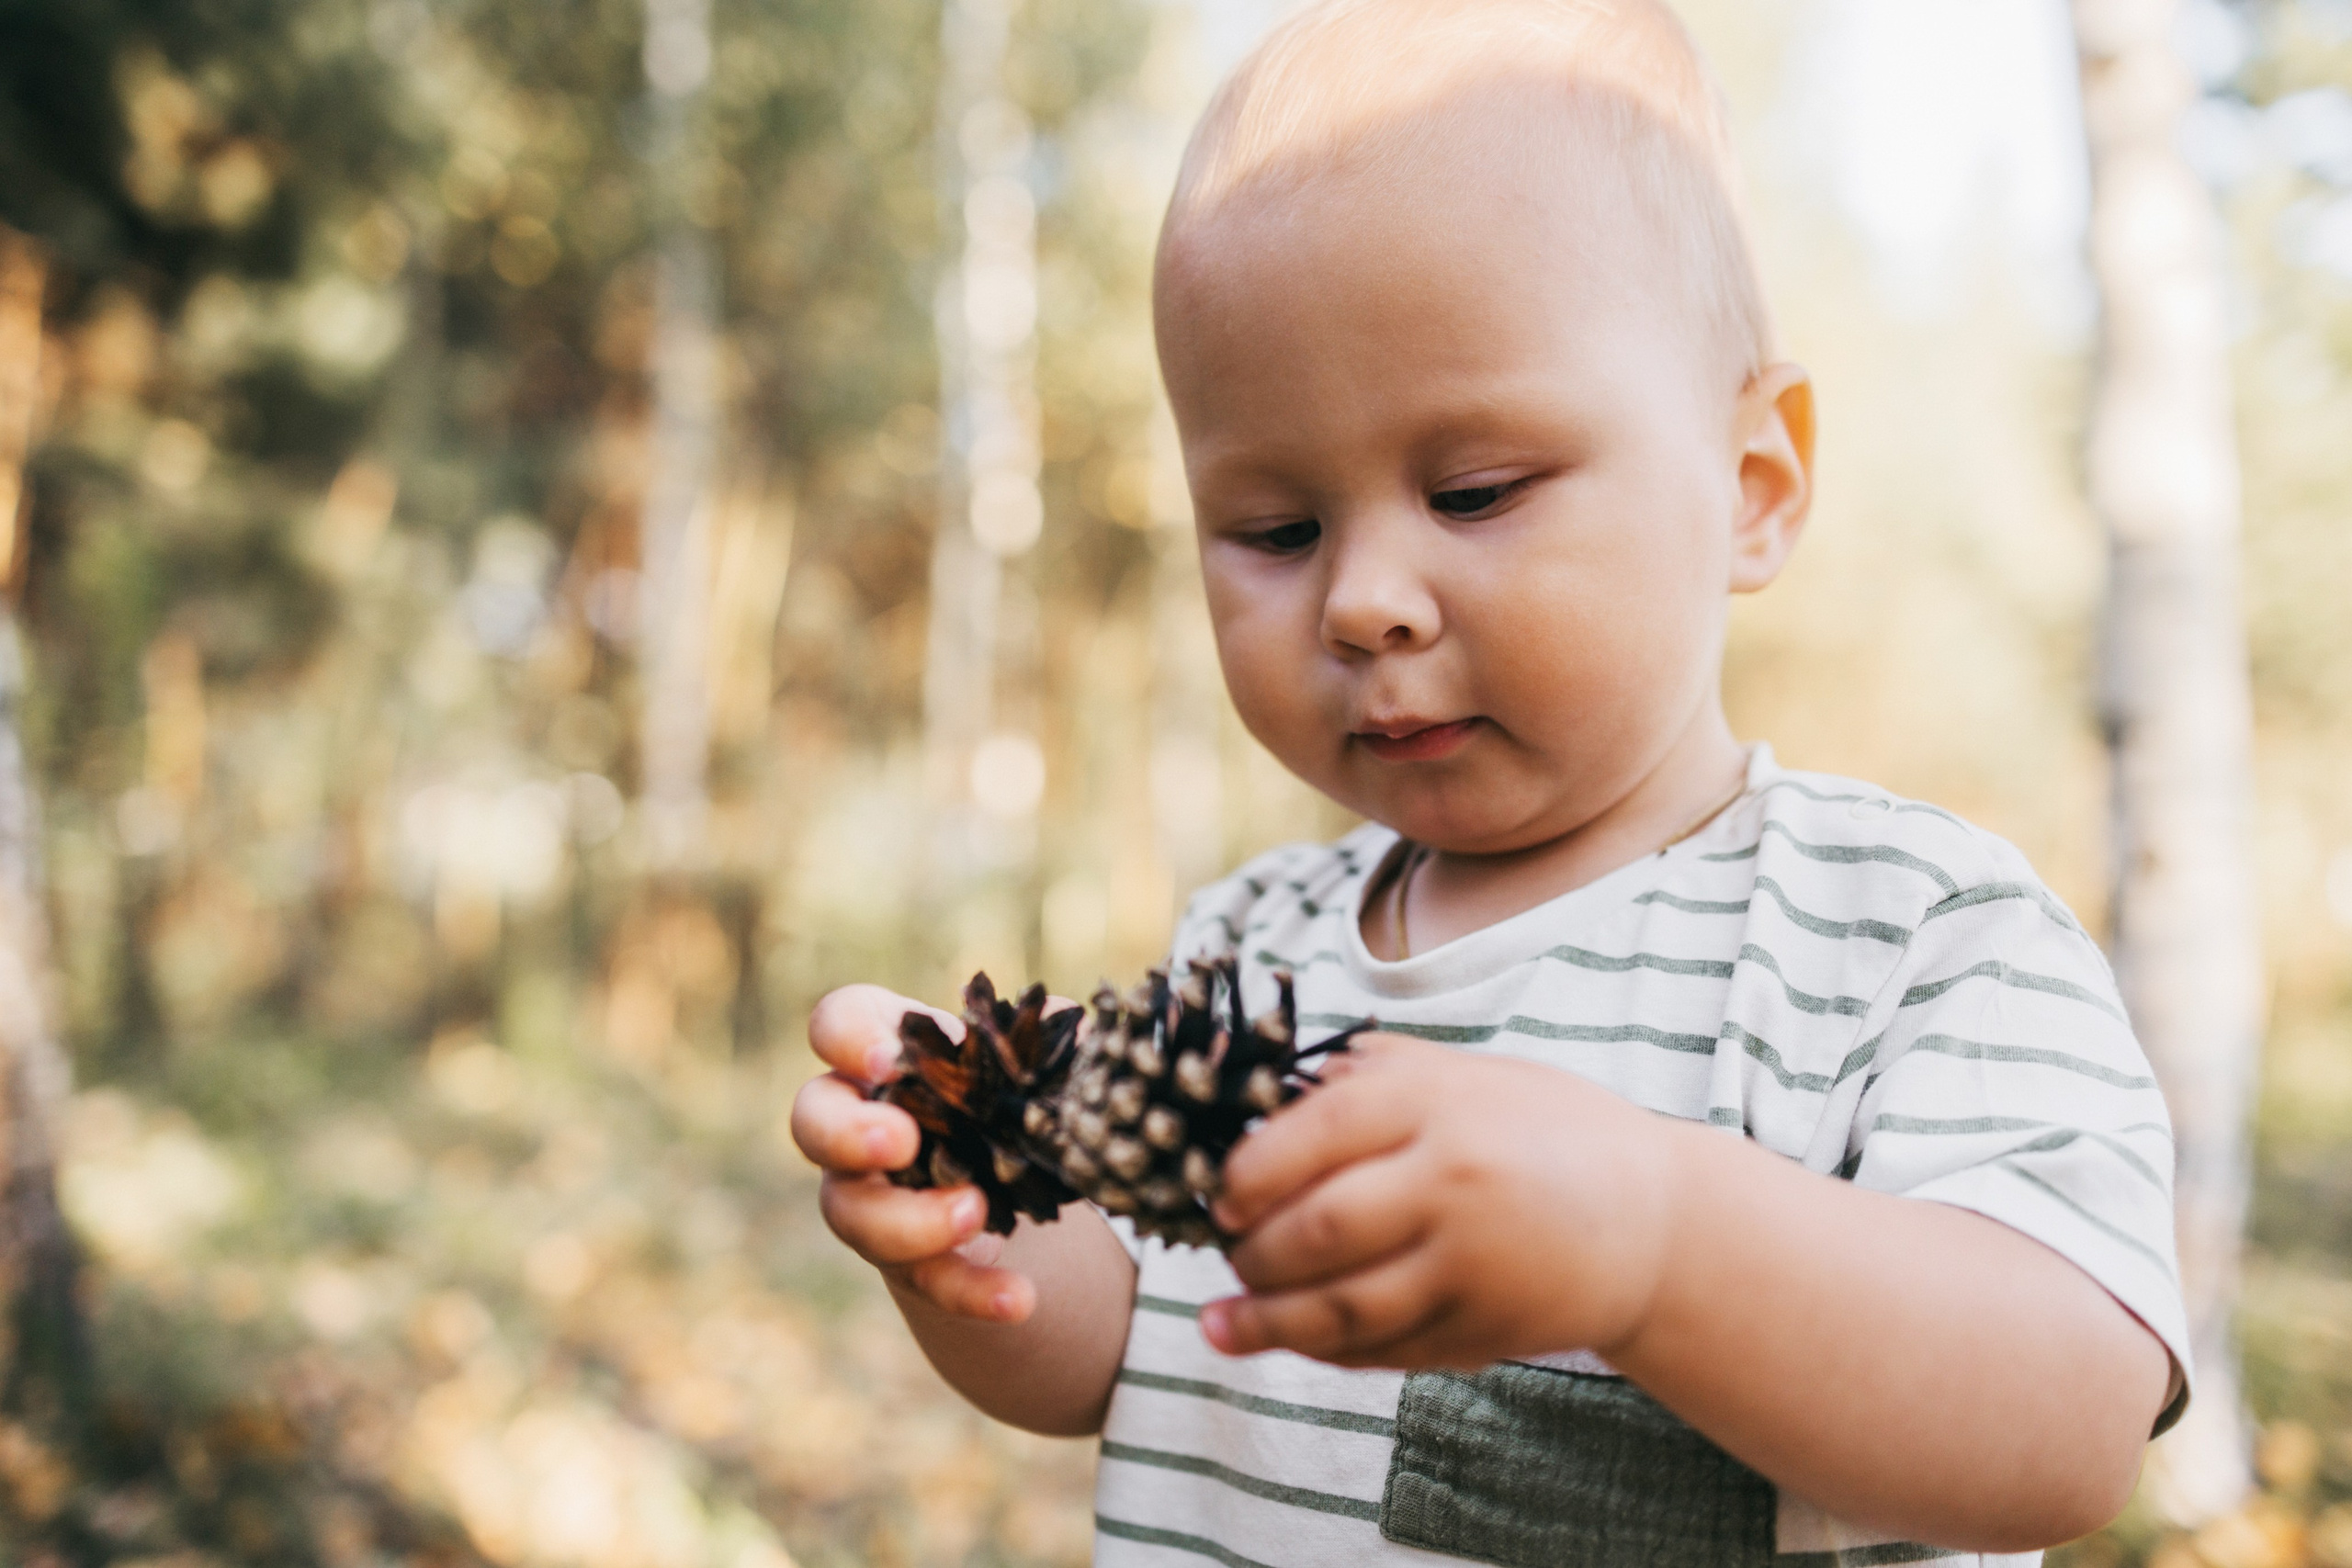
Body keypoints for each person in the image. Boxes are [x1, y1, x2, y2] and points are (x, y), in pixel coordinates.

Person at [790, 1, 2189, 1562]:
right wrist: (973, 1219)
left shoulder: (1911, 939)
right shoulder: (1242, 952)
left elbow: (2068, 1425)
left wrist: (1655, 1247)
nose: (1360, 599)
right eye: (1274, 529)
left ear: (1751, 489)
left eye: (1473, 491)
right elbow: (1116, 1347)